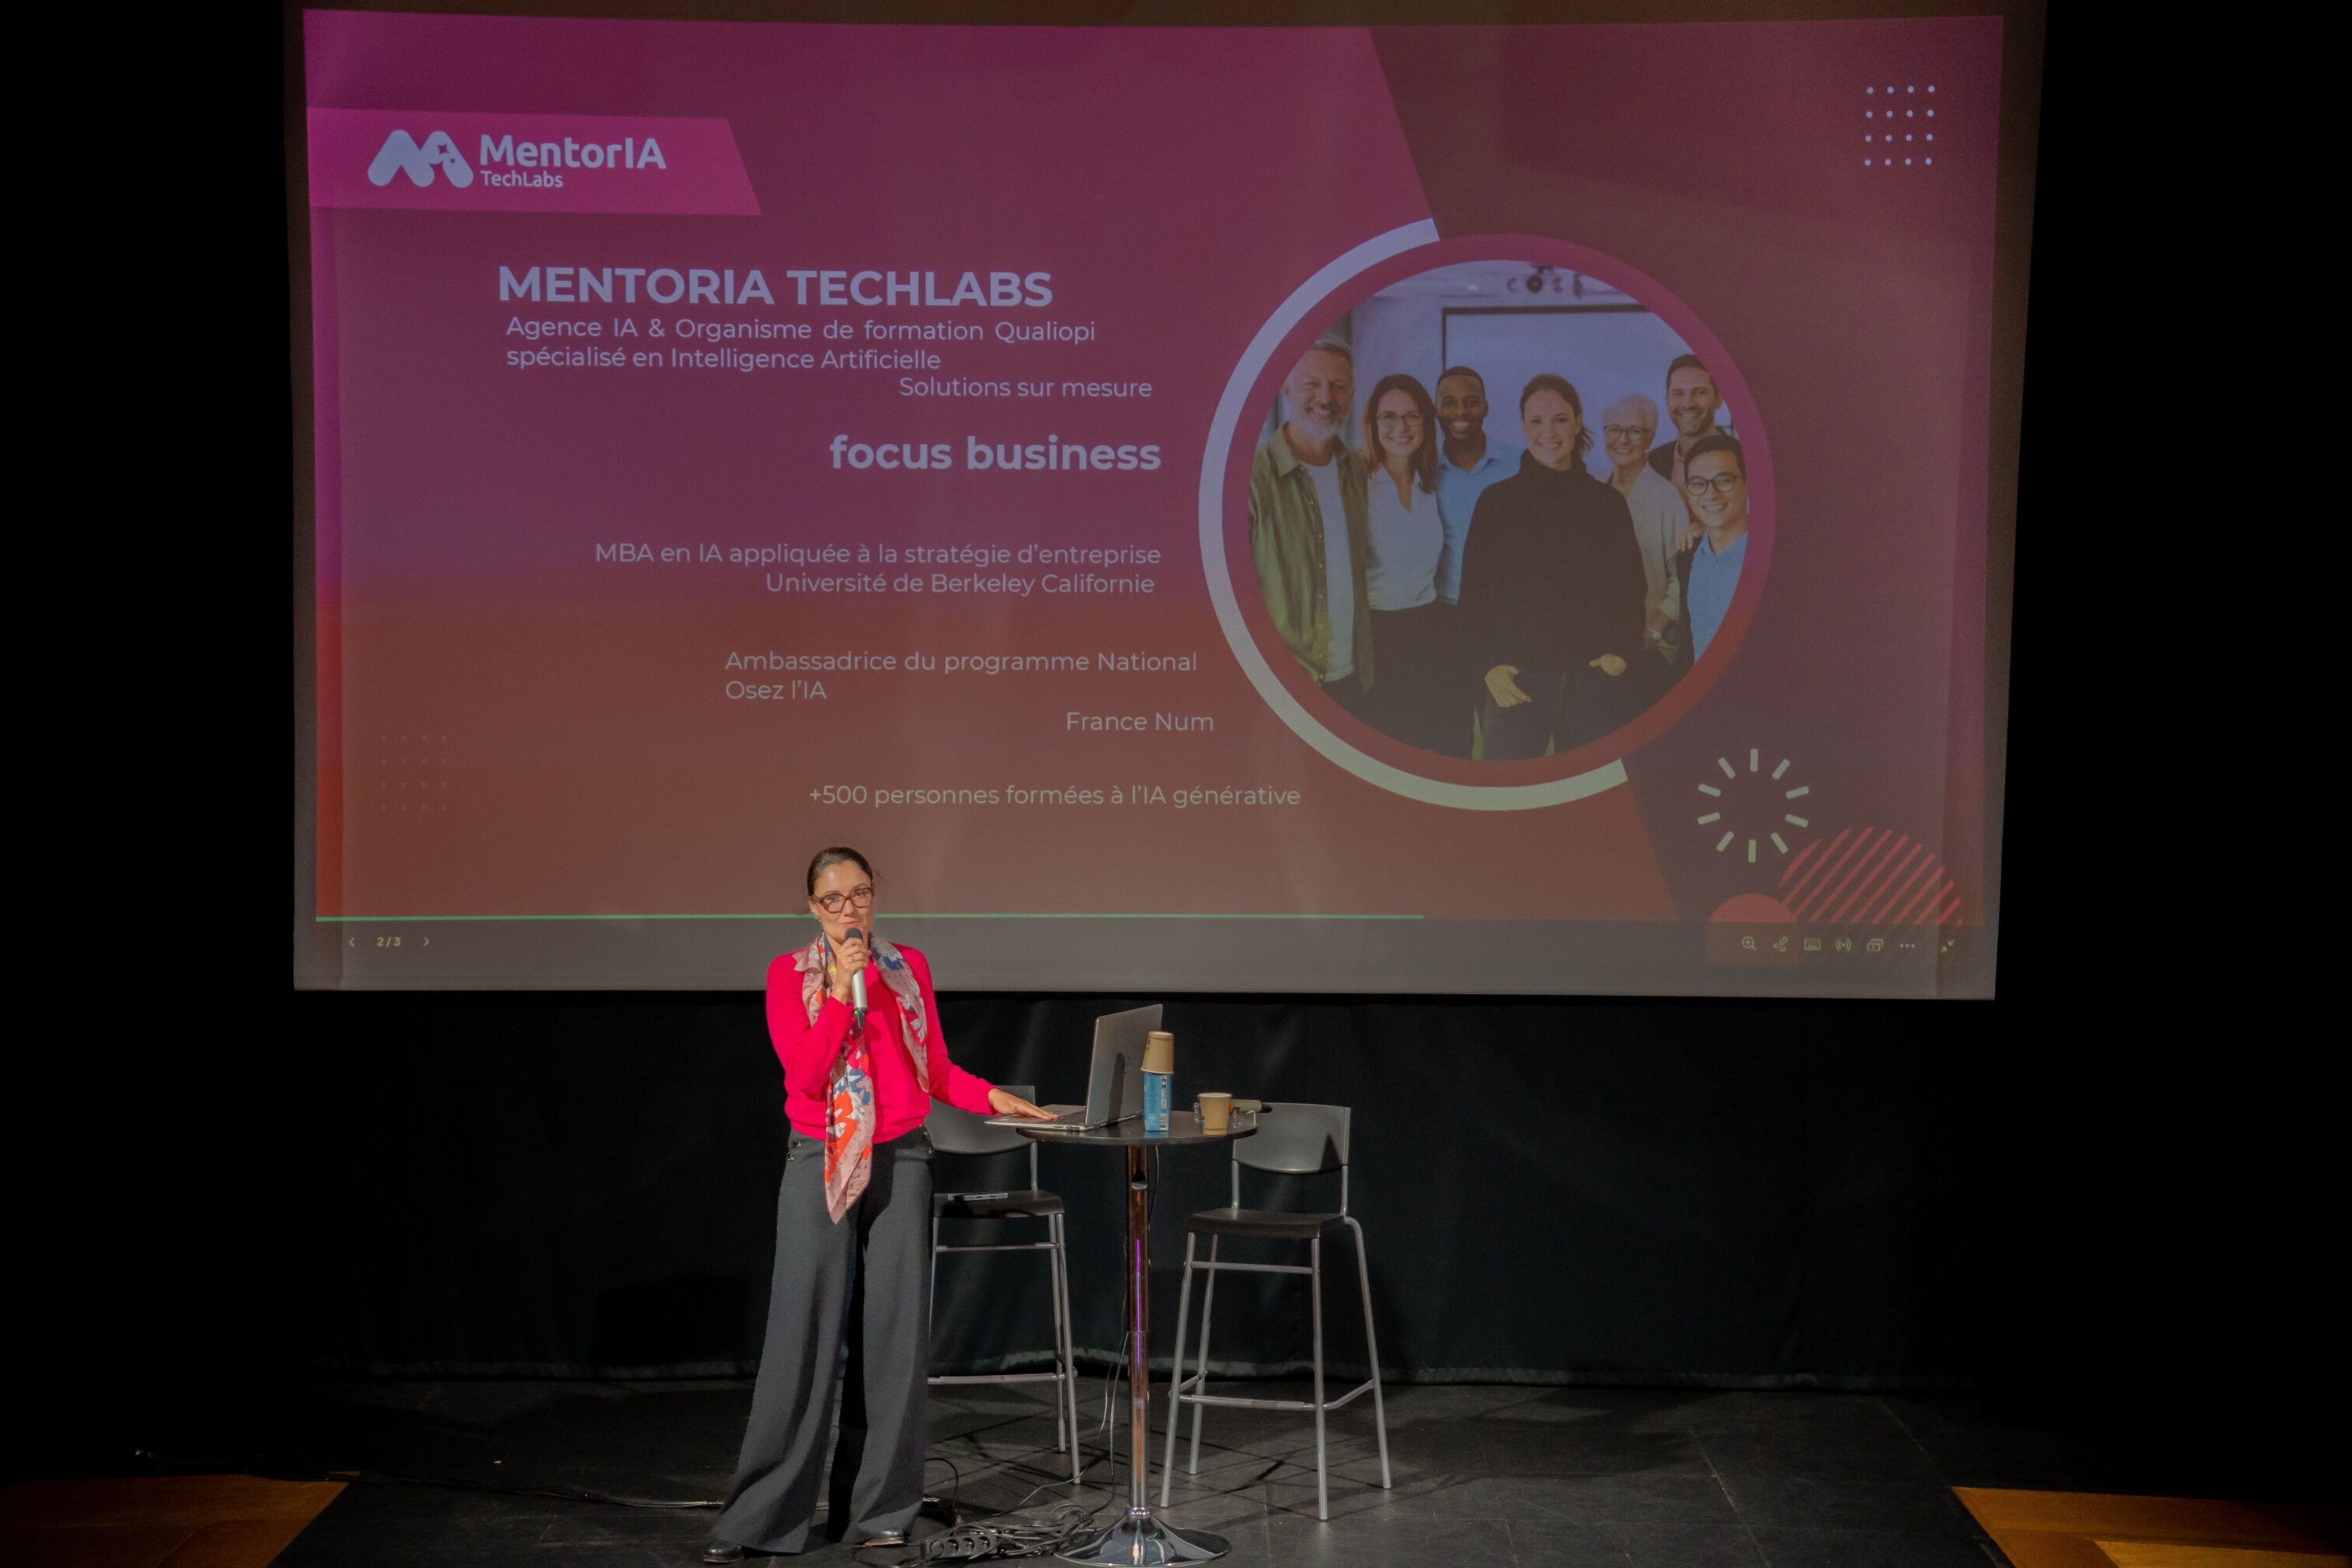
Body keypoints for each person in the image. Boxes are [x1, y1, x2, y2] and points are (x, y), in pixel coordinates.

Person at [705, 849, 1048, 1564]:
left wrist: (992, 1096)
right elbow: (805, 1075)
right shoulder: (788, 976)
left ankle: (882, 1512)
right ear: (812, 908)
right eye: (833, 899)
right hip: (821, 1158)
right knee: (800, 1335)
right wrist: (840, 993)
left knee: (894, 1341)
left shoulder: (907, 967)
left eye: (860, 894)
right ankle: (761, 1520)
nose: (850, 910)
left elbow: (935, 1068)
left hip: (904, 1157)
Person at [1457, 376, 1649, 760]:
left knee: (1589, 797)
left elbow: (1631, 589)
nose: (1548, 432)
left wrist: (1622, 654)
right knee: (1508, 796)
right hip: (1516, 682)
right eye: (1536, 421)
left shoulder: (1607, 504)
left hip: (1591, 685)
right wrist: (1488, 668)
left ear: (1577, 423)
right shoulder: (1496, 502)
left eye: (1560, 419)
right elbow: (1474, 597)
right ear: (1523, 426)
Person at [1248, 339, 1374, 715]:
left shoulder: (1359, 470)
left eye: (1338, 386)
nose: (1326, 397)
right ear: (1286, 390)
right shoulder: (1248, 478)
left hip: (1355, 683)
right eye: (1311, 384)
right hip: (1282, 687)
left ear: (1351, 395)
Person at [1357, 373, 1460, 754]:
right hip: (1378, 637)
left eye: (1412, 416)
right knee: (1386, 753)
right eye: (1389, 416)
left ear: (1426, 423)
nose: (1401, 427)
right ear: (1373, 423)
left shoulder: (1431, 485)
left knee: (1432, 748)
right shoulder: (1359, 485)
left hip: (1430, 632)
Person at [1599, 392, 1690, 681]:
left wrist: (1655, 630)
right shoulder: (1594, 492)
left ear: (1649, 437)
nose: (1622, 440)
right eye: (1614, 429)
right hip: (1600, 647)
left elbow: (1683, 575)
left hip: (1647, 647)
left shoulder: (1667, 498)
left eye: (1635, 431)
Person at [1430, 366, 1514, 607]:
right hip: (1446, 611)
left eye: (1472, 402)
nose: (1461, 411)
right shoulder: (1424, 472)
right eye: (1449, 402)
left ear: (1486, 407)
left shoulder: (1519, 464)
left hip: (1508, 611)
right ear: (1436, 410)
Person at [1679, 433, 1750, 663]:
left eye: (1724, 480)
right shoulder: (1687, 556)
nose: (1711, 494)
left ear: (1748, 484)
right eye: (1698, 484)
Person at [1647, 354, 1727, 493]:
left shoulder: (1745, 459)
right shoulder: (1651, 463)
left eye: (1699, 392)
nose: (1687, 404)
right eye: (1678, 393)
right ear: (1667, 400)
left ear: (1718, 399)